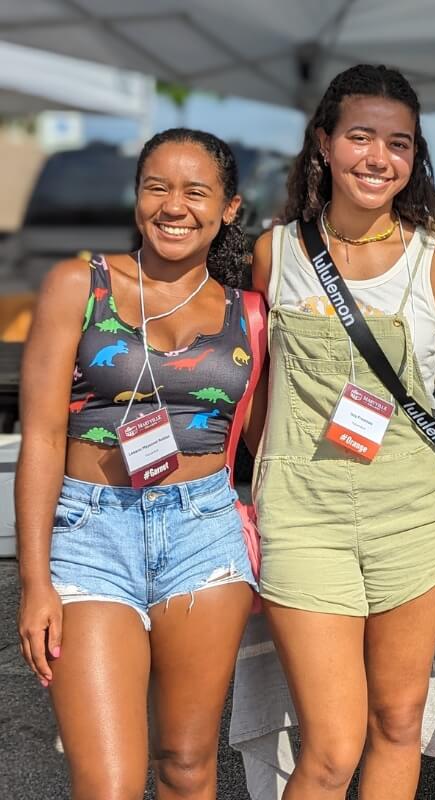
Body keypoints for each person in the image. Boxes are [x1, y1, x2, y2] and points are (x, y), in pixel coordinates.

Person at [249, 64, 435, 799]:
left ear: (414, 156)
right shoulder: (276, 253)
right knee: (332, 748)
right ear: (324, 144)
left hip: (412, 519)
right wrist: (265, 479)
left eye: (398, 144)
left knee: (398, 723)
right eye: (360, 137)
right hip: (304, 519)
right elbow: (255, 393)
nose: (378, 158)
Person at [15, 128, 260, 799]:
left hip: (203, 537)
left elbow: (270, 438)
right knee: (110, 785)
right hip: (91, 536)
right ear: (136, 198)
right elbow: (42, 438)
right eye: (157, 187)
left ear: (229, 209)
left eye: (195, 191)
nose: (173, 206)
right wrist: (35, 582)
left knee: (186, 765)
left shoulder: (248, 312)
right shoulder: (78, 284)